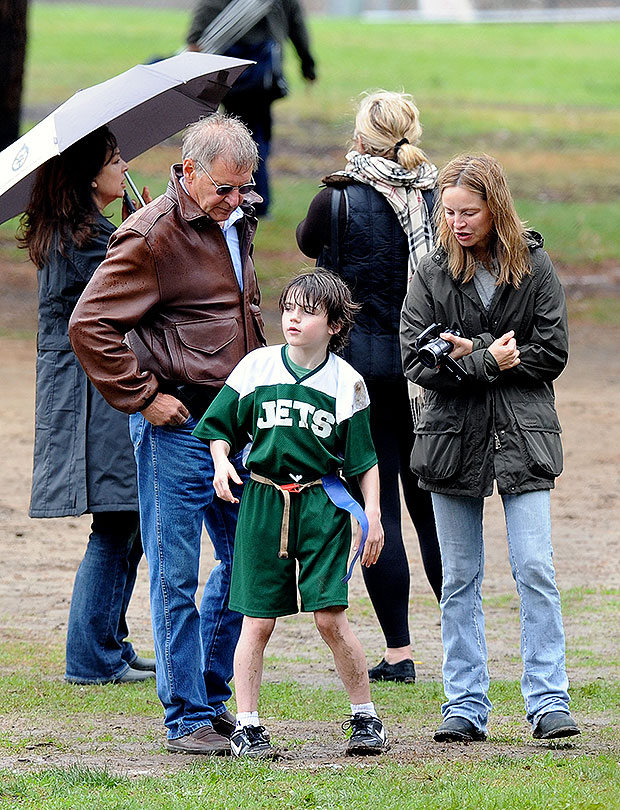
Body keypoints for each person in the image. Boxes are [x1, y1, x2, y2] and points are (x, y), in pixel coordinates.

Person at [68, 113, 266, 755]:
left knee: (249, 563)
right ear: (188, 172)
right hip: (176, 425)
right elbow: (89, 324)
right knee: (176, 574)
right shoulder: (149, 235)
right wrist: (143, 398)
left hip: (234, 424)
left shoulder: (239, 222)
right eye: (225, 190)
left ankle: (208, 698)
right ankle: (186, 717)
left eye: (247, 188)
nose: (238, 202)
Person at [400, 153, 580, 742]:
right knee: (458, 577)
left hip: (524, 434)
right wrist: (490, 358)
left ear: (494, 207)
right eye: (447, 212)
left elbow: (552, 351)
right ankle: (464, 706)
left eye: (468, 212)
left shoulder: (534, 265)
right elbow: (416, 359)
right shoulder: (430, 273)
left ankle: (549, 701)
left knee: (534, 567)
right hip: (450, 439)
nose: (456, 222)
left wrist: (473, 356)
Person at [193, 269, 389, 758]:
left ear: (335, 324)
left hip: (322, 504)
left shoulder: (348, 382)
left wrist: (375, 517)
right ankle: (247, 726)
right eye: (288, 309)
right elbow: (219, 426)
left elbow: (364, 460)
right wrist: (221, 462)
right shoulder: (256, 367)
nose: (293, 318)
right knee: (256, 621)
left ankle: (365, 719)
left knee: (330, 617)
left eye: (307, 310)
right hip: (261, 501)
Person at [296, 90, 442, 684]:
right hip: (427, 370)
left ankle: (400, 652)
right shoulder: (437, 196)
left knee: (377, 504)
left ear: (360, 138)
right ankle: (464, 641)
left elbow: (309, 246)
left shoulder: (337, 199)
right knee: (431, 504)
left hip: (361, 371)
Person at [18, 127, 155, 685]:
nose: (123, 167)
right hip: (92, 395)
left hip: (92, 391)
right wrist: (142, 231)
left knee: (128, 518)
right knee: (118, 521)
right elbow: (142, 284)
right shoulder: (85, 243)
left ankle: (108, 643)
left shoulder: (88, 232)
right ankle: (91, 657)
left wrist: (129, 226)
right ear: (88, 175)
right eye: (115, 159)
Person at [186, 0, 317, 217]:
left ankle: (241, 196)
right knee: (257, 137)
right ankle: (256, 201)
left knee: (235, 133)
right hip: (260, 75)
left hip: (228, 73)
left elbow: (205, 15)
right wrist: (308, 64)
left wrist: (196, 39)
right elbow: (296, 23)